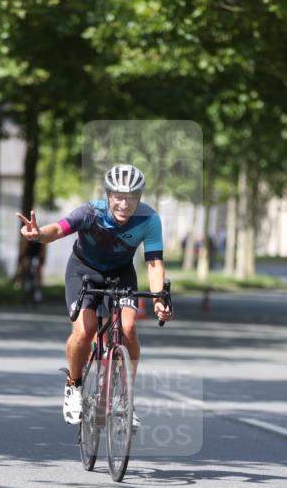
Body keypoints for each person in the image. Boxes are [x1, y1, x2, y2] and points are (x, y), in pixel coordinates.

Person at [16, 163, 173, 426]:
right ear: (109, 195)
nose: (125, 204)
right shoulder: (90, 212)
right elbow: (59, 229)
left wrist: (158, 300)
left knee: (129, 327)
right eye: (119, 197)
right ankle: (74, 386)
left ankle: (125, 397)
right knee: (84, 331)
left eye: (132, 197)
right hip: (83, 272)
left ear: (140, 198)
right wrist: (38, 234)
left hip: (121, 273)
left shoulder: (149, 219)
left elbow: (154, 263)